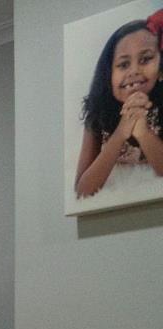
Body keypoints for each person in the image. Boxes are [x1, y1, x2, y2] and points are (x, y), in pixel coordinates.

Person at [75, 10, 163, 198]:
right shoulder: (98, 110)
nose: (134, 71)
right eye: (123, 65)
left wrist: (142, 132)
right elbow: (82, 190)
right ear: (109, 75)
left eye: (146, 59)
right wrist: (122, 131)